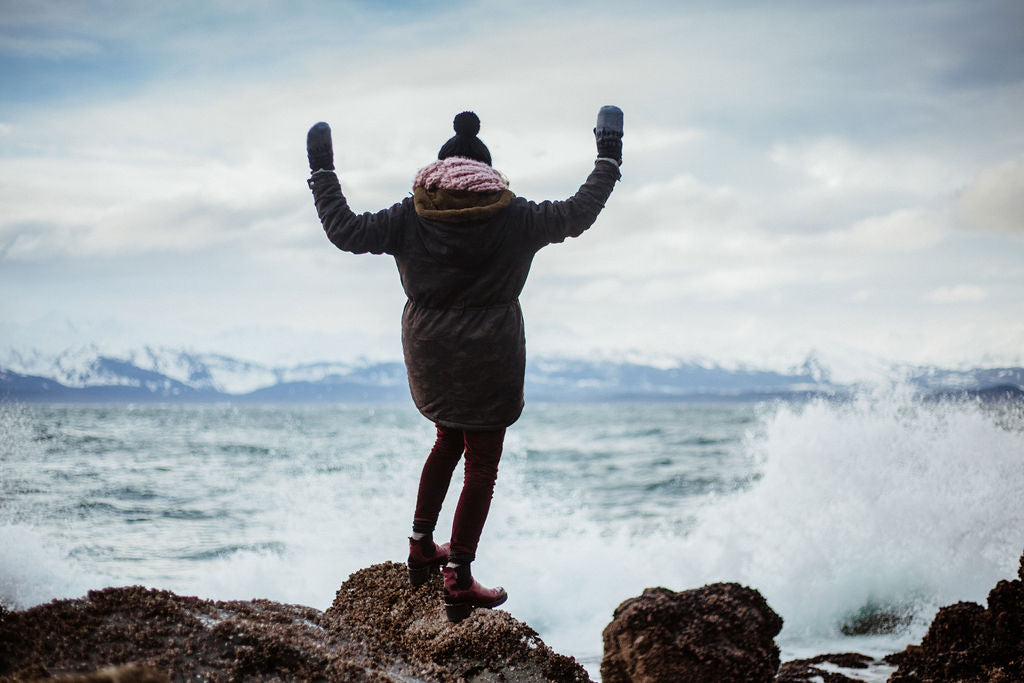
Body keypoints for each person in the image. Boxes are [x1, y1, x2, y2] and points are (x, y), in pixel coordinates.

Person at [306, 107, 623, 622]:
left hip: (429, 350)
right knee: (482, 462)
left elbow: (344, 230)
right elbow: (578, 212)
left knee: (448, 439)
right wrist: (608, 155)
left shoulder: (411, 214)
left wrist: (321, 169)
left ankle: (420, 544)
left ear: (440, 168)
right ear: (488, 172)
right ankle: (456, 574)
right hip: (490, 356)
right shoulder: (514, 216)